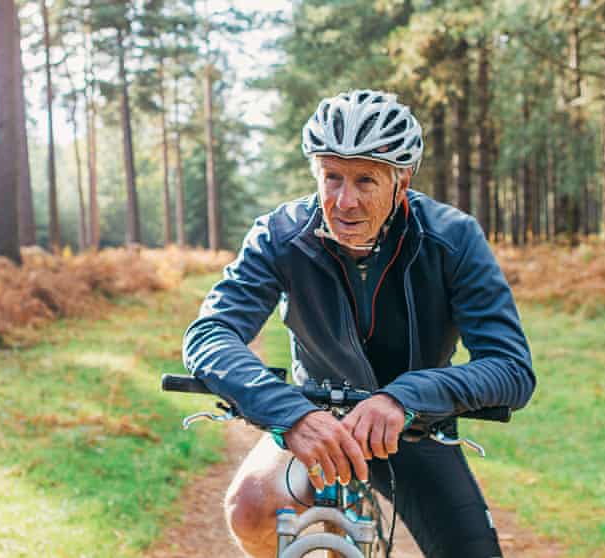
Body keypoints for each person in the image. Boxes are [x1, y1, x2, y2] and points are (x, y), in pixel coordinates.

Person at [182, 89, 536, 558]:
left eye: (365, 180)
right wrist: (290, 414)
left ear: (401, 179)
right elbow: (210, 334)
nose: (344, 201)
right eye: (331, 178)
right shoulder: (280, 235)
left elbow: (511, 367)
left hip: (415, 425)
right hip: (316, 420)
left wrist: (405, 396)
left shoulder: (452, 238)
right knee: (249, 507)